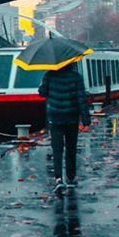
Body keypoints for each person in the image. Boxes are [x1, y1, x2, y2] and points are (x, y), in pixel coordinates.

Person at [38, 61, 92, 192]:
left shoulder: (49, 75)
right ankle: (71, 178)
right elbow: (81, 98)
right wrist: (86, 119)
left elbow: (42, 93)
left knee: (57, 149)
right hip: (71, 117)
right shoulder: (76, 77)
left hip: (55, 118)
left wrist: (42, 85)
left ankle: (58, 179)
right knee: (71, 148)